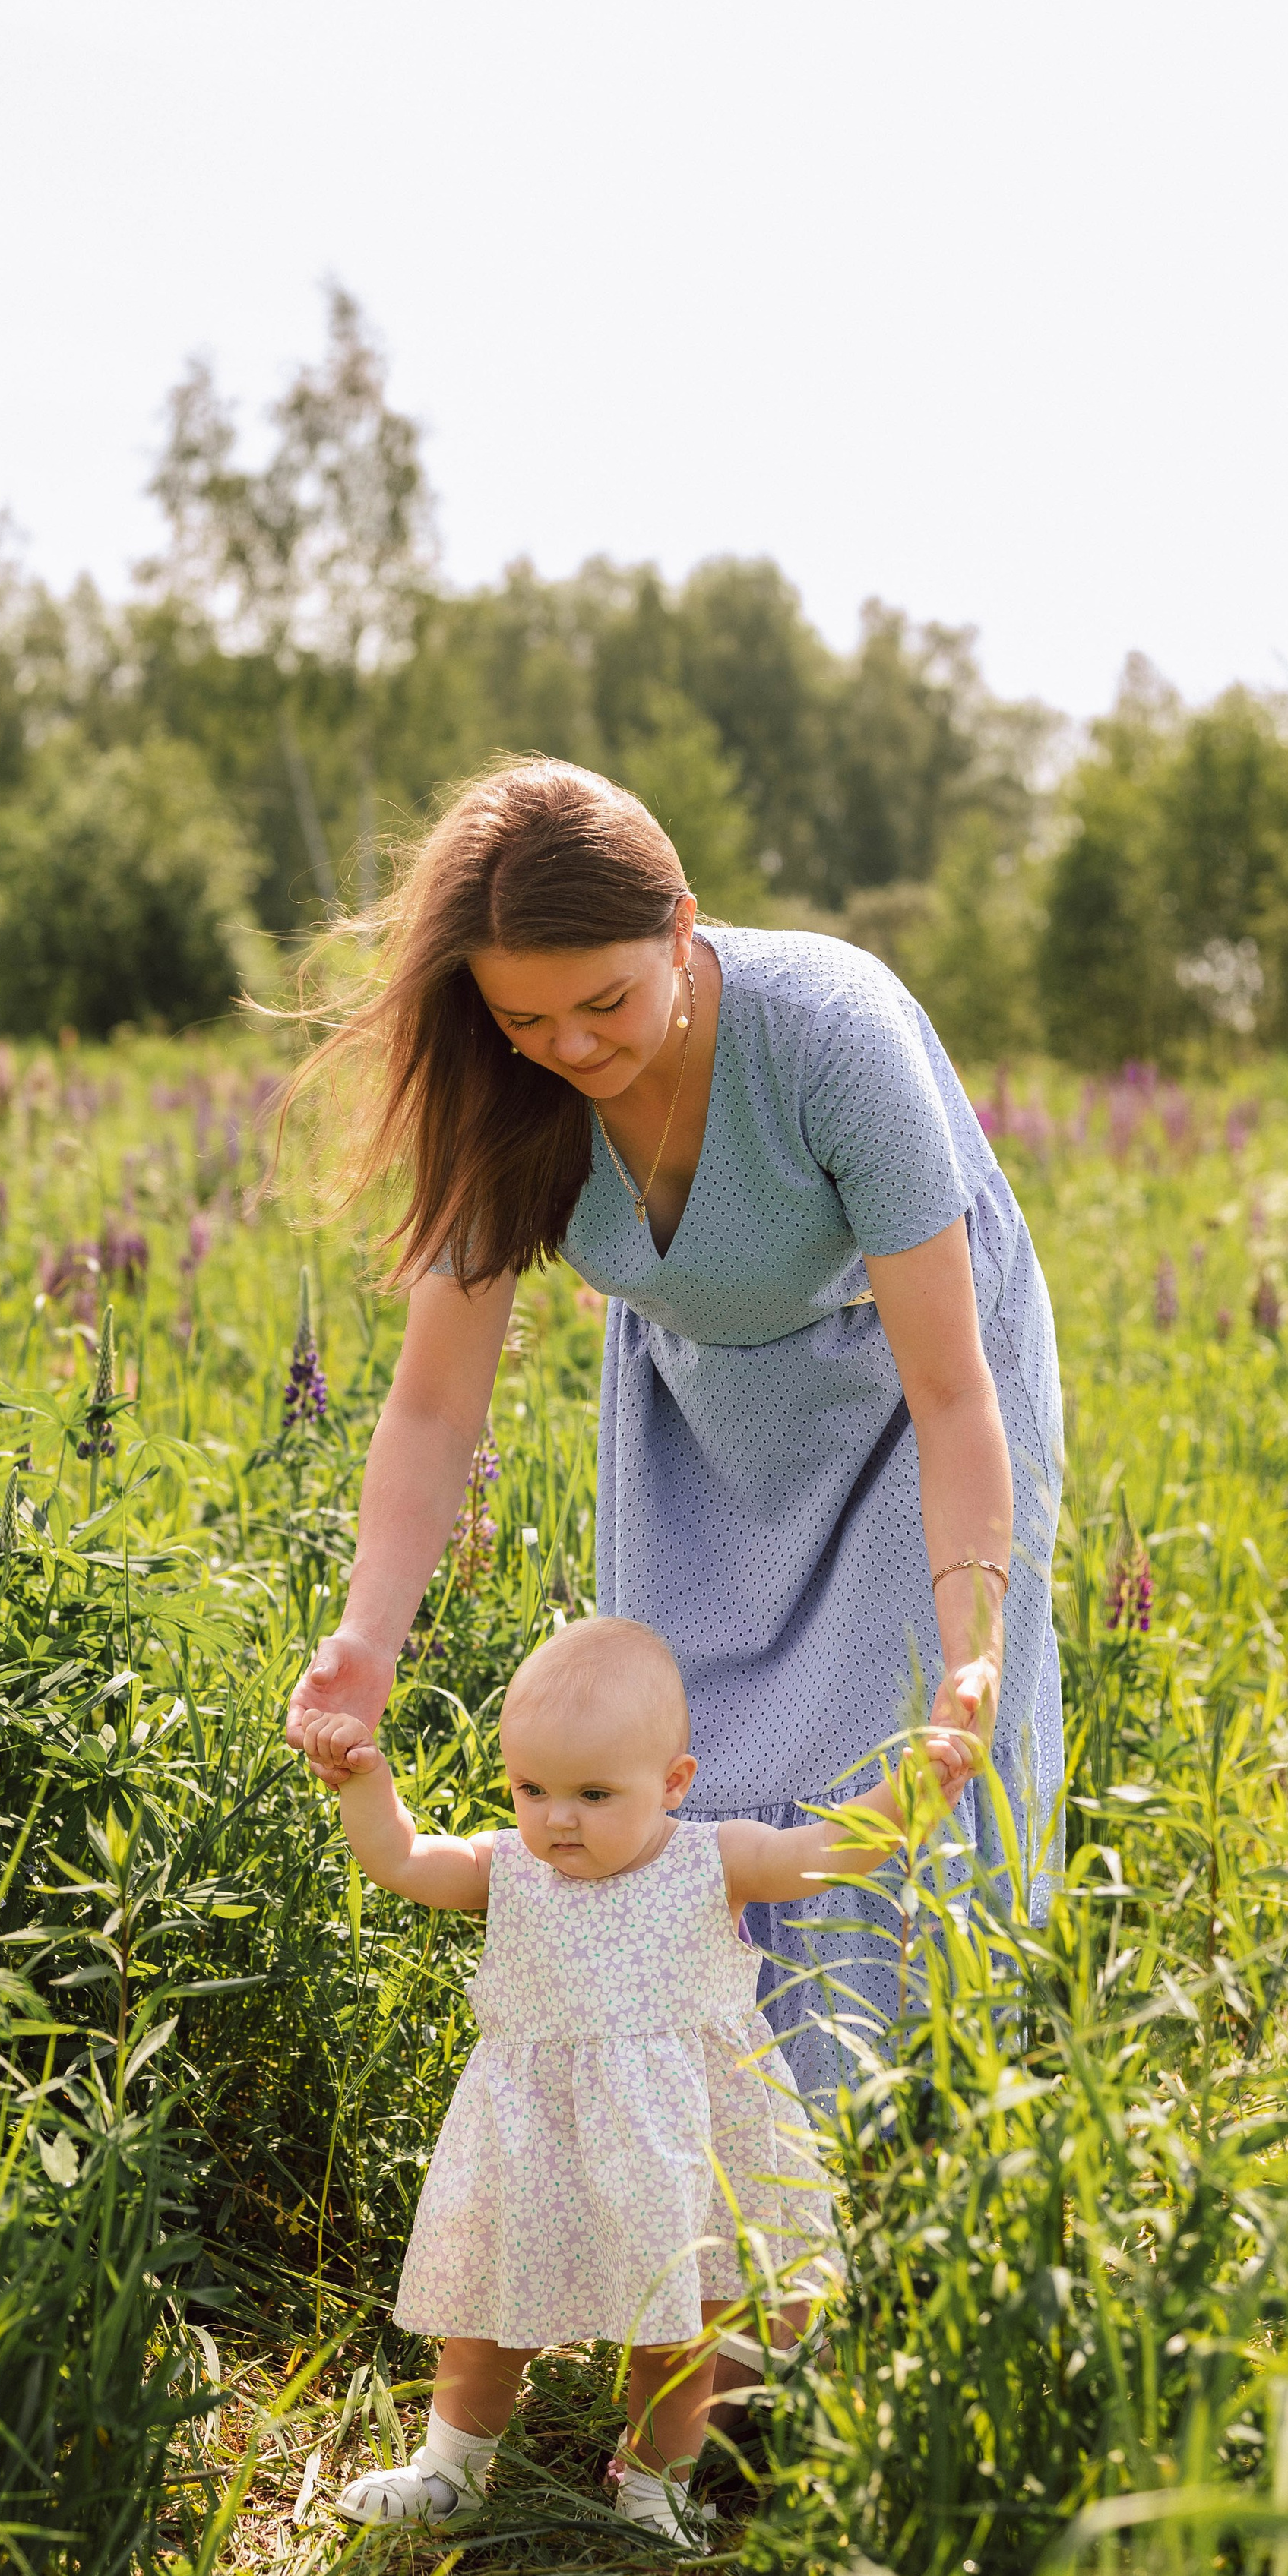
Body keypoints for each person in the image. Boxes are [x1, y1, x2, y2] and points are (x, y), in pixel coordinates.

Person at [285, 759, 1062, 2103]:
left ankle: (896, 2147)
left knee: (876, 1754)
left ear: (682, 929)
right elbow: (433, 1403)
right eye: (527, 1015)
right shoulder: (499, 1087)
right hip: (699, 1407)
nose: (572, 1047)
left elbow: (953, 1391)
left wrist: (972, 1642)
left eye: (606, 1000)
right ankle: (717, 2168)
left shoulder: (832, 1038)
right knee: (678, 1769)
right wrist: (366, 1638)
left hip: (912, 1390)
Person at [296, 1615, 979, 2544]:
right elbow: (402, 1858)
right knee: (490, 2318)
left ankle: (655, 2484)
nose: (557, 1818)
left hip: (678, 2146)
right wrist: (365, 1784)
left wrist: (910, 1796)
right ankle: (451, 2468)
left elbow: (820, 1854)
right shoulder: (510, 1869)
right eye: (531, 1788)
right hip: (537, 2138)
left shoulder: (712, 1859)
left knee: (682, 2323)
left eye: (591, 1792)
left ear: (673, 1784)